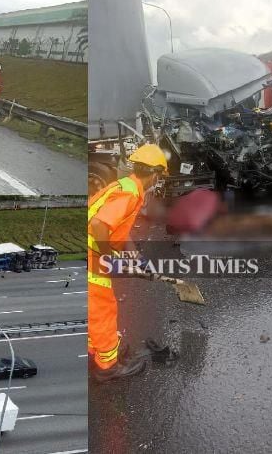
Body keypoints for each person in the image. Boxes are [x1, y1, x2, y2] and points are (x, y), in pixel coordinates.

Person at [88, 143, 167, 383]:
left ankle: (97, 348)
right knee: (104, 310)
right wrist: (106, 257)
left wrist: (136, 258)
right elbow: (100, 225)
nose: (158, 181)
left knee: (94, 309)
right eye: (159, 176)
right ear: (154, 174)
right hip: (92, 257)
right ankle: (107, 368)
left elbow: (121, 231)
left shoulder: (127, 186)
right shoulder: (130, 193)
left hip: (92, 254)